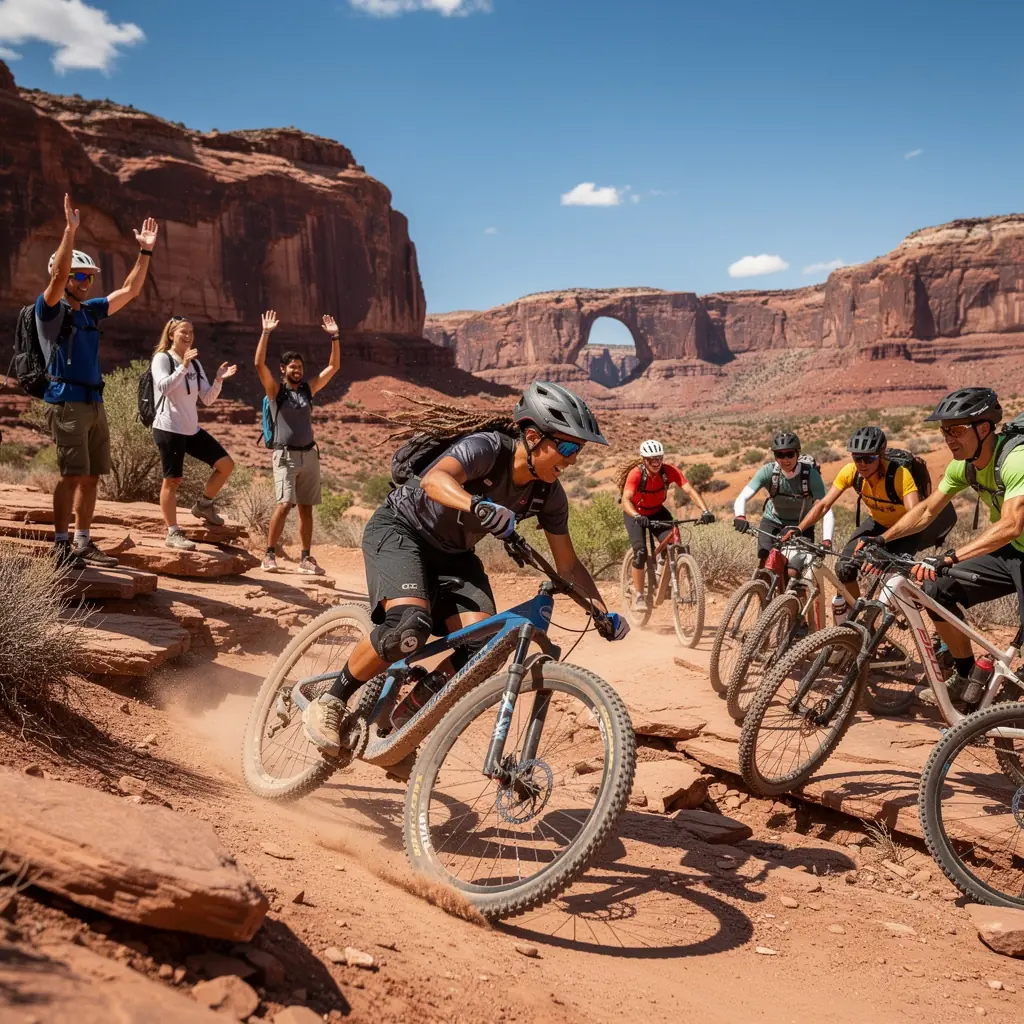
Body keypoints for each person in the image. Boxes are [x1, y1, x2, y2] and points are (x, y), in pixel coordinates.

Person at [302, 381, 630, 757]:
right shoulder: (488, 448)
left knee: (485, 644)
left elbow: (568, 564)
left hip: (454, 556)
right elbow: (434, 480)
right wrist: (479, 506)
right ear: (534, 436)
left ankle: (405, 725)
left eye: (578, 451)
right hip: (400, 530)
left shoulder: (548, 494)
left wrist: (601, 612)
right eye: (568, 446)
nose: (572, 460)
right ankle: (331, 700)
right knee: (409, 627)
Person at [876, 388, 1024, 699]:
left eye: (956, 430)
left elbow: (1011, 524)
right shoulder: (964, 465)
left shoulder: (1016, 461)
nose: (948, 439)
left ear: (983, 429)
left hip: (1014, 542)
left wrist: (950, 557)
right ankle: (965, 674)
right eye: (945, 431)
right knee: (937, 589)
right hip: (1012, 552)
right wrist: (882, 539)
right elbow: (928, 510)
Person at [37, 194, 158, 568]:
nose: (86, 282)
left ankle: (83, 542)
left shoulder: (90, 310)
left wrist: (145, 253)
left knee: (90, 477)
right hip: (67, 401)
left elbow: (130, 291)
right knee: (71, 476)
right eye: (80, 276)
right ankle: (60, 546)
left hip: (94, 403)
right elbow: (57, 275)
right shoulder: (50, 309)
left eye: (89, 276)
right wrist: (70, 231)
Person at [787, 426, 956, 620]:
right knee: (844, 568)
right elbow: (824, 504)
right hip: (875, 524)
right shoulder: (851, 472)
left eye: (869, 459)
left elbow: (915, 515)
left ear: (881, 454)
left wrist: (884, 545)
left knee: (892, 580)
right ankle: (860, 618)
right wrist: (799, 529)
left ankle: (900, 613)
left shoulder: (900, 475)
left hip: (904, 531)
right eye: (857, 458)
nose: (862, 464)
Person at [254, 310, 341, 575]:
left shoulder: (307, 389)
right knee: (284, 504)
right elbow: (259, 364)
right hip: (285, 456)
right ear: (283, 369)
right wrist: (266, 332)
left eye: (300, 367)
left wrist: (335, 337)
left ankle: (305, 558)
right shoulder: (275, 391)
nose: (297, 370)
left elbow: (333, 368)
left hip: (309, 456)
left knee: (306, 508)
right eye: (292, 367)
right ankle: (269, 554)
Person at [150, 316, 238, 549]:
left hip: (191, 429)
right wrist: (183, 366)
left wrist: (219, 379)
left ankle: (204, 505)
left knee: (226, 465)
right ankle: (173, 533)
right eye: (183, 332)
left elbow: (207, 399)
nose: (188, 335)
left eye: (191, 331)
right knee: (172, 480)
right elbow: (164, 388)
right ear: (171, 335)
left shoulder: (195, 364)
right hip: (168, 428)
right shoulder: (162, 358)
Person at [621, 439, 714, 611]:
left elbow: (689, 490)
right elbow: (626, 500)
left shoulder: (669, 471)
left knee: (675, 544)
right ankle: (640, 595)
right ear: (644, 460)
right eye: (651, 460)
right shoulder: (635, 474)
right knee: (640, 552)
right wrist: (636, 515)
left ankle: (662, 577)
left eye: (659, 458)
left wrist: (705, 511)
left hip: (657, 511)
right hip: (635, 513)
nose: (656, 463)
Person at [733, 431, 834, 559]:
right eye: (780, 455)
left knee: (795, 568)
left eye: (789, 454)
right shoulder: (768, 472)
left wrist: (826, 541)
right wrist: (740, 517)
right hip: (772, 521)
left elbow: (826, 508)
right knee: (765, 558)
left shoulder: (811, 475)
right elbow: (742, 497)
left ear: (797, 454)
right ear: (775, 457)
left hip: (802, 525)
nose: (785, 459)